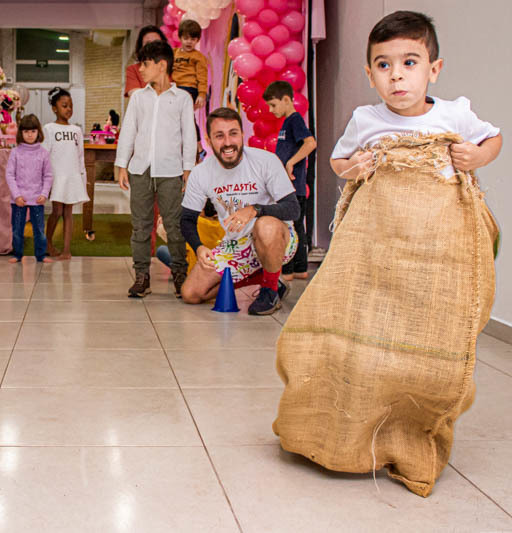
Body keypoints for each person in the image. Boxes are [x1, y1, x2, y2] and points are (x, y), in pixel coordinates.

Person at [274, 11, 502, 497]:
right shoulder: (366, 120)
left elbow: (492, 137)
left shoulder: (455, 114)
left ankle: (412, 435)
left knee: (425, 345)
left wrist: (479, 155)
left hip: (434, 255)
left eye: (409, 62)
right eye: (384, 65)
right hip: (378, 248)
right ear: (369, 73)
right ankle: (343, 430)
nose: (397, 75)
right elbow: (337, 160)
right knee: (366, 335)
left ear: (434, 69)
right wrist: (353, 166)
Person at [180, 107, 299, 315]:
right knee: (191, 293)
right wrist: (198, 247)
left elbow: (293, 209)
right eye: (219, 136)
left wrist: (255, 210)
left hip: (278, 238)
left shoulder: (266, 161)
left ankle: (270, 291)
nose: (228, 142)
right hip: (236, 244)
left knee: (265, 225)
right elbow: (187, 219)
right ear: (208, 140)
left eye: (233, 133)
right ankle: (265, 277)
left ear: (243, 135)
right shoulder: (200, 173)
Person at [115, 40, 195, 298]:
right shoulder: (138, 98)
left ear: (162, 66)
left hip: (171, 172)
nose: (140, 69)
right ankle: (142, 276)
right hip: (140, 170)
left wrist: (188, 168)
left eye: (145, 64)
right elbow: (128, 131)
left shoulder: (182, 99)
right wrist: (121, 164)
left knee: (174, 225)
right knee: (140, 226)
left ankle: (180, 274)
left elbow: (189, 135)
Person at [263, 81, 317, 281]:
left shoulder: (295, 119)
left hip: (293, 187)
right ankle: (298, 269)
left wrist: (291, 163)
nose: (271, 110)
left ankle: (289, 269)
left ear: (286, 100)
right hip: (289, 187)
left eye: (273, 105)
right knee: (295, 226)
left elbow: (310, 143)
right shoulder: (288, 122)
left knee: (290, 227)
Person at [125, 26, 169, 256]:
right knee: (145, 207)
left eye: (156, 42)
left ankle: (175, 255)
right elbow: (136, 98)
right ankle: (147, 254)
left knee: (170, 205)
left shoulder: (171, 74)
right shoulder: (134, 70)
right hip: (143, 148)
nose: (151, 46)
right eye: (146, 43)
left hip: (169, 148)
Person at [43, 87, 89, 261]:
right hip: (57, 176)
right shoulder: (49, 128)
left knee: (69, 212)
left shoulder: (76, 130)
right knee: (57, 211)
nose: (68, 109)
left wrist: (82, 177)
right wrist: (45, 179)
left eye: (70, 105)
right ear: (54, 108)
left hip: (72, 176)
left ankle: (66, 250)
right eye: (64, 106)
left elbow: (80, 155)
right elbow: (45, 154)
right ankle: (48, 244)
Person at [5, 114, 54, 264]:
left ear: (38, 132)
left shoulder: (43, 153)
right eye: (26, 131)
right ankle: (17, 254)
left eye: (33, 131)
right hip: (18, 199)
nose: (30, 135)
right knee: (17, 229)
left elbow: (48, 175)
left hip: (37, 198)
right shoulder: (15, 152)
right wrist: (17, 195)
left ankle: (41, 255)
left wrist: (44, 194)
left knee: (39, 229)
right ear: (21, 133)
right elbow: (9, 175)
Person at [173, 19, 208, 111]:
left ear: (198, 40)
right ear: (180, 38)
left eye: (193, 39)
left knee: (185, 113)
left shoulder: (198, 57)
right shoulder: (174, 53)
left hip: (189, 88)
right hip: (174, 87)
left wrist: (202, 94)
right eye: (186, 38)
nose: (189, 42)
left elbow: (202, 77)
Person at [125, 26, 168, 98]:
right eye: (148, 43)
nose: (153, 46)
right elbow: (134, 95)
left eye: (157, 42)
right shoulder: (133, 69)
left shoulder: (174, 66)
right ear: (141, 47)